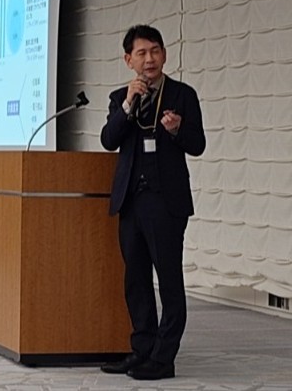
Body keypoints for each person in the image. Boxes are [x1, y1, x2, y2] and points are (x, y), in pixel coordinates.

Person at [100, 24, 206, 380]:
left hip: (166, 203)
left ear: (164, 55)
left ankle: (164, 358)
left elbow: (198, 144)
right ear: (128, 60)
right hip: (131, 201)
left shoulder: (182, 94)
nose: (150, 59)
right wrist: (128, 104)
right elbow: (109, 139)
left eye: (155, 51)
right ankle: (141, 350)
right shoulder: (120, 97)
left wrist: (176, 130)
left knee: (169, 281)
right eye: (142, 53)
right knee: (136, 281)